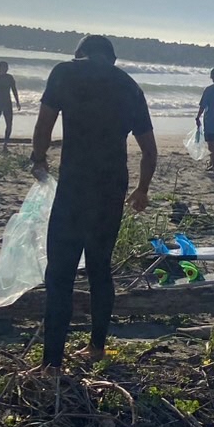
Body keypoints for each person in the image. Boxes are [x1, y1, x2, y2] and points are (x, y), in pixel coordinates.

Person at [31, 35, 157, 372]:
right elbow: (149, 151)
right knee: (100, 268)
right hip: (110, 189)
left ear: (80, 54)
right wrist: (142, 190)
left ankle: (52, 363)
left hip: (74, 187)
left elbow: (44, 123)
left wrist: (38, 158)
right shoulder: (129, 86)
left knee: (60, 273)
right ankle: (97, 347)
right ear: (112, 59)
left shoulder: (65, 73)